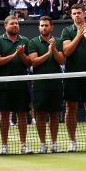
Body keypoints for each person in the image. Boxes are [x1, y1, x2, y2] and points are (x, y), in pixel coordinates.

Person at [61, 5, 86, 152]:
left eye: (79, 13)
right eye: (74, 14)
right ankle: (72, 141)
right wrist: (78, 35)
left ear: (84, 14)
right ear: (71, 16)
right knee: (70, 108)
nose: (77, 15)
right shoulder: (67, 31)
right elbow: (66, 51)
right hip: (72, 76)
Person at [0, 15, 32, 154]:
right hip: (4, 85)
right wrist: (15, 55)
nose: (15, 25)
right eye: (12, 23)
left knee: (21, 115)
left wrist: (21, 55)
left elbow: (29, 63)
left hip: (21, 84)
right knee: (4, 116)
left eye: (17, 23)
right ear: (5, 26)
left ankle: (23, 145)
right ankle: (4, 145)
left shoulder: (25, 41)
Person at [26, 15, 65, 154]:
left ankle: (54, 144)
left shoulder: (58, 41)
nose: (44, 27)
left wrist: (54, 49)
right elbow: (34, 61)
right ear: (39, 27)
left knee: (54, 115)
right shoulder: (33, 42)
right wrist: (49, 52)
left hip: (55, 83)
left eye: (46, 25)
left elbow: (61, 61)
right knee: (40, 115)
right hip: (40, 84)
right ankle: (43, 144)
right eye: (42, 25)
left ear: (51, 27)